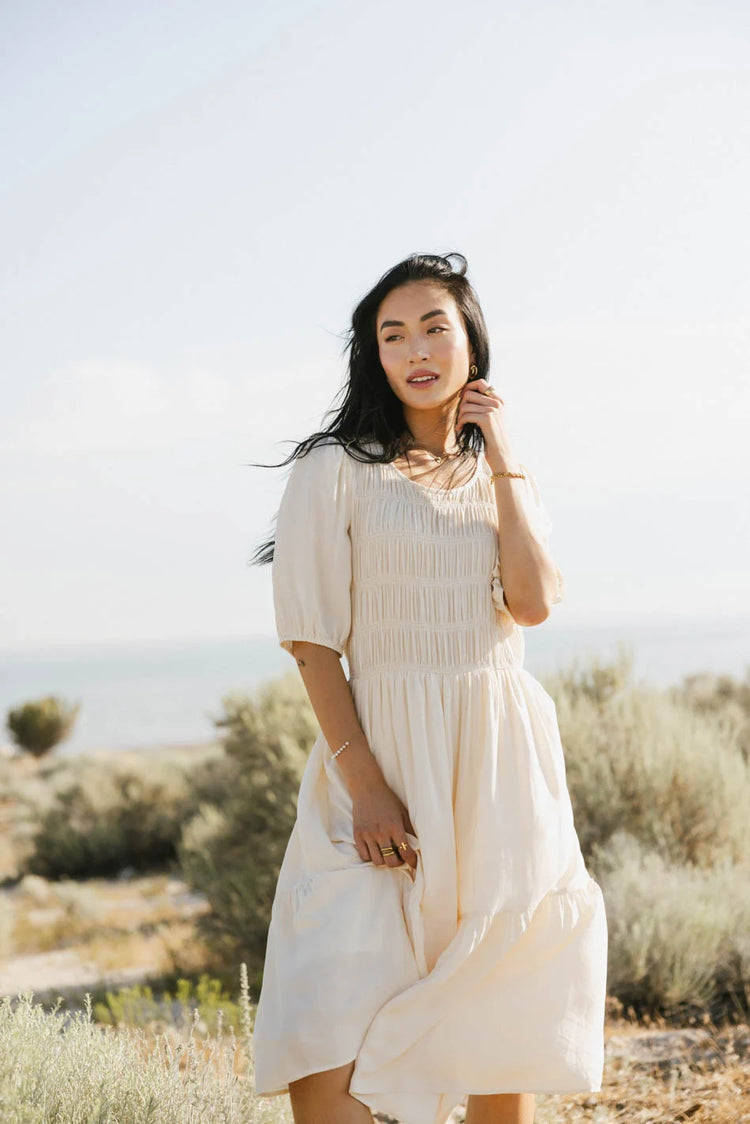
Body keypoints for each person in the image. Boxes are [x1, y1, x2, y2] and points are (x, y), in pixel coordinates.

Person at [250, 252, 608, 1124]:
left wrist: (505, 458)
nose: (414, 347)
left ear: (471, 344)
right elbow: (310, 643)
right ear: (372, 356)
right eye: (391, 333)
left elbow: (532, 603)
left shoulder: (500, 478)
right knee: (327, 1015)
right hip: (379, 764)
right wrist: (364, 783)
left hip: (497, 769)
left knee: (496, 1018)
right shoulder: (335, 468)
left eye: (434, 327)